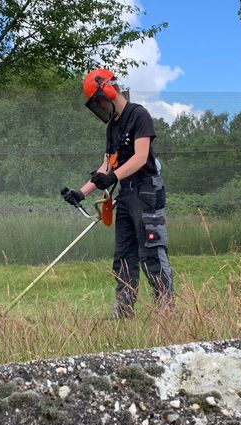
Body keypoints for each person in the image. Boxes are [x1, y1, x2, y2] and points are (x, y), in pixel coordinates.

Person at [62, 68, 174, 319]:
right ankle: (123, 312)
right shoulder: (111, 127)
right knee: (123, 255)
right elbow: (107, 165)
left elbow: (140, 157)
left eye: (98, 102)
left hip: (147, 191)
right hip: (125, 195)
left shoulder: (139, 115)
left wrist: (112, 177)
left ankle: (165, 312)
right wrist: (81, 192)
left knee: (152, 252)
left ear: (109, 91)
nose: (99, 108)